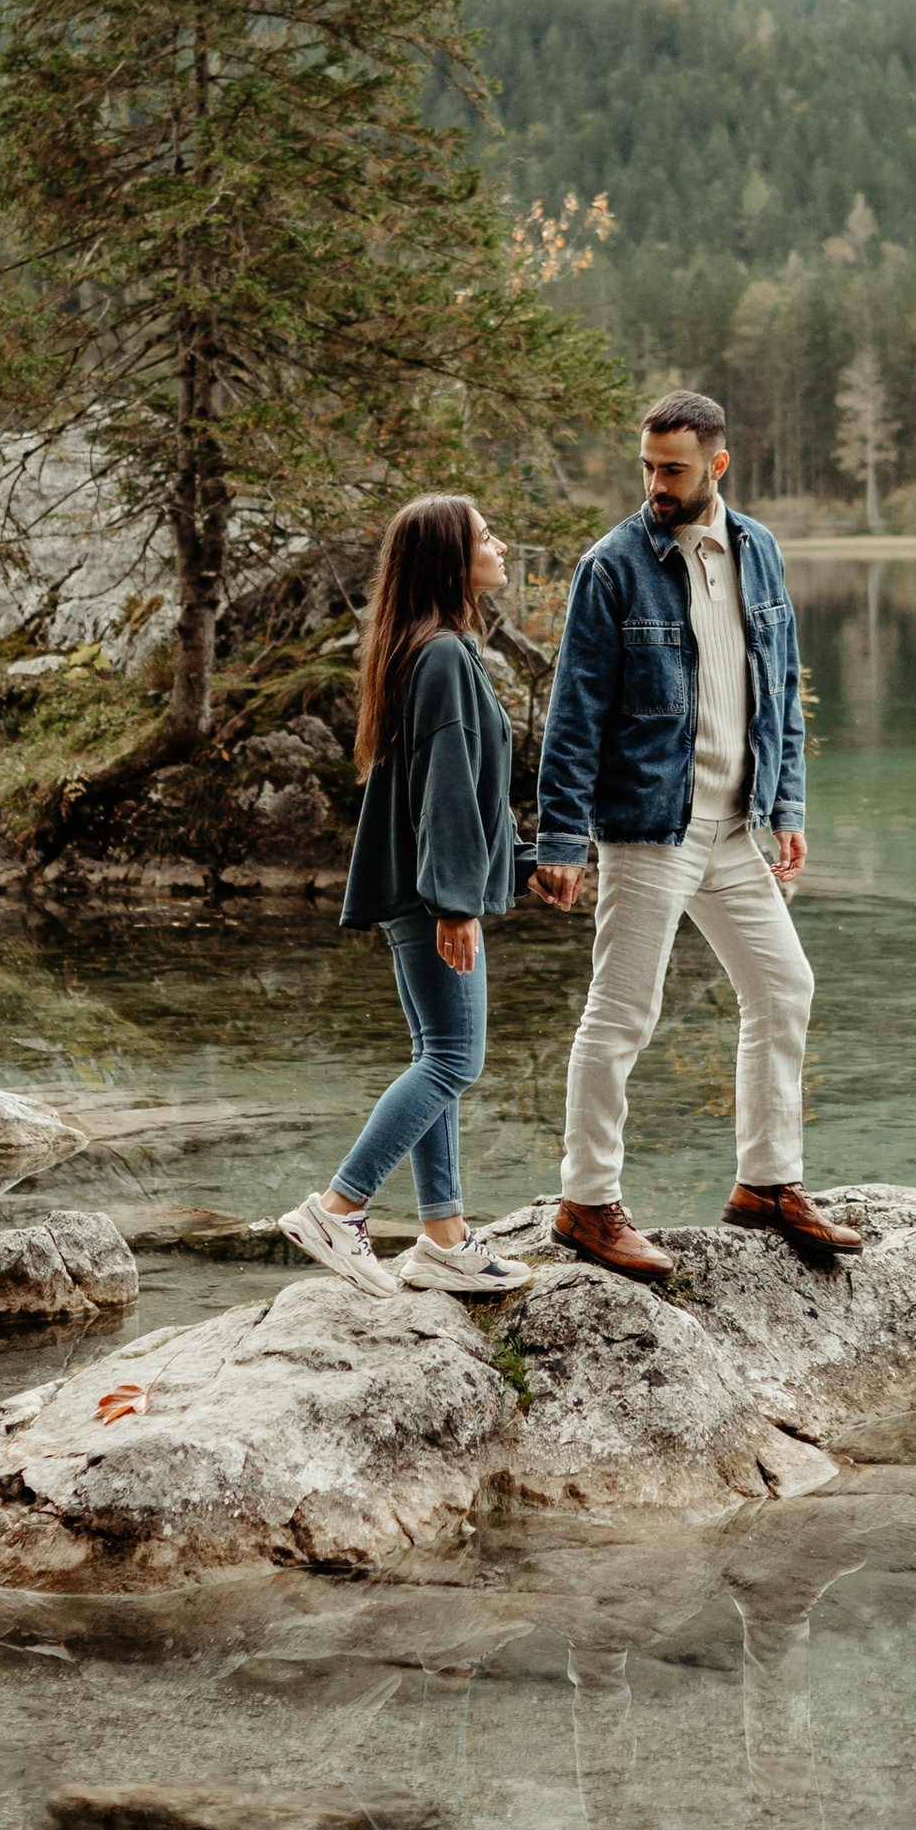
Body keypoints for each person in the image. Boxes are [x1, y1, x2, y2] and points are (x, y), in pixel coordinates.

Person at [530, 390, 861, 1283]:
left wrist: (786, 805)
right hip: (649, 828)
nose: (655, 486)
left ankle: (766, 1183)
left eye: (673, 469)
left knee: (784, 985)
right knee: (623, 1014)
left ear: (717, 465)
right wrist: (559, 837)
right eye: (647, 468)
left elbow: (780, 689)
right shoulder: (612, 568)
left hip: (730, 828)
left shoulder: (757, 550)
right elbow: (575, 713)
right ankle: (586, 1203)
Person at [278, 494, 537, 1301]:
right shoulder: (445, 657)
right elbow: (450, 793)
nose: (500, 542)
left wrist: (520, 863)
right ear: (449, 560)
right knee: (456, 1058)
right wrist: (458, 901)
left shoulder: (423, 649)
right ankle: (338, 1207)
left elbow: (460, 790)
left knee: (439, 1058)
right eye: (485, 534)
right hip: (432, 896)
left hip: (420, 889)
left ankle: (444, 1239)